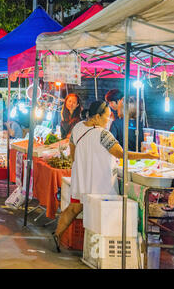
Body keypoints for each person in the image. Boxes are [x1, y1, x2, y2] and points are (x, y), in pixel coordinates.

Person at [51, 100, 159, 252]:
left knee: (74, 208)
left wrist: (83, 167)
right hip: (100, 183)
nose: (109, 119)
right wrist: (148, 154)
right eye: (107, 116)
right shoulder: (103, 134)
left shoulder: (77, 128)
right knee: (102, 213)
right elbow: (121, 153)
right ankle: (100, 251)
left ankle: (57, 235)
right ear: (96, 117)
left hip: (81, 179)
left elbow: (73, 154)